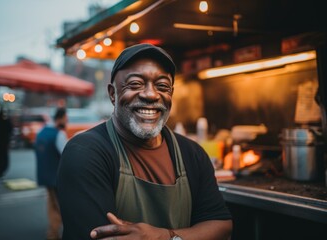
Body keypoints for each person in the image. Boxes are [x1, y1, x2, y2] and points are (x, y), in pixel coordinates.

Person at [57, 43, 233, 240]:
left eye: (162, 86)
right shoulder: (86, 152)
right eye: (135, 84)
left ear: (171, 95)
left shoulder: (192, 153)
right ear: (113, 94)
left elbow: (220, 225)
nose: (151, 94)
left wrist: (165, 237)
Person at [35, 107, 68, 240]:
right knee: (61, 206)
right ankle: (53, 234)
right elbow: (66, 155)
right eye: (66, 119)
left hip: (44, 175)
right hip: (56, 177)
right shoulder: (59, 134)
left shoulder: (41, 131)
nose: (67, 121)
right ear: (60, 118)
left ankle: (53, 232)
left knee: (52, 204)